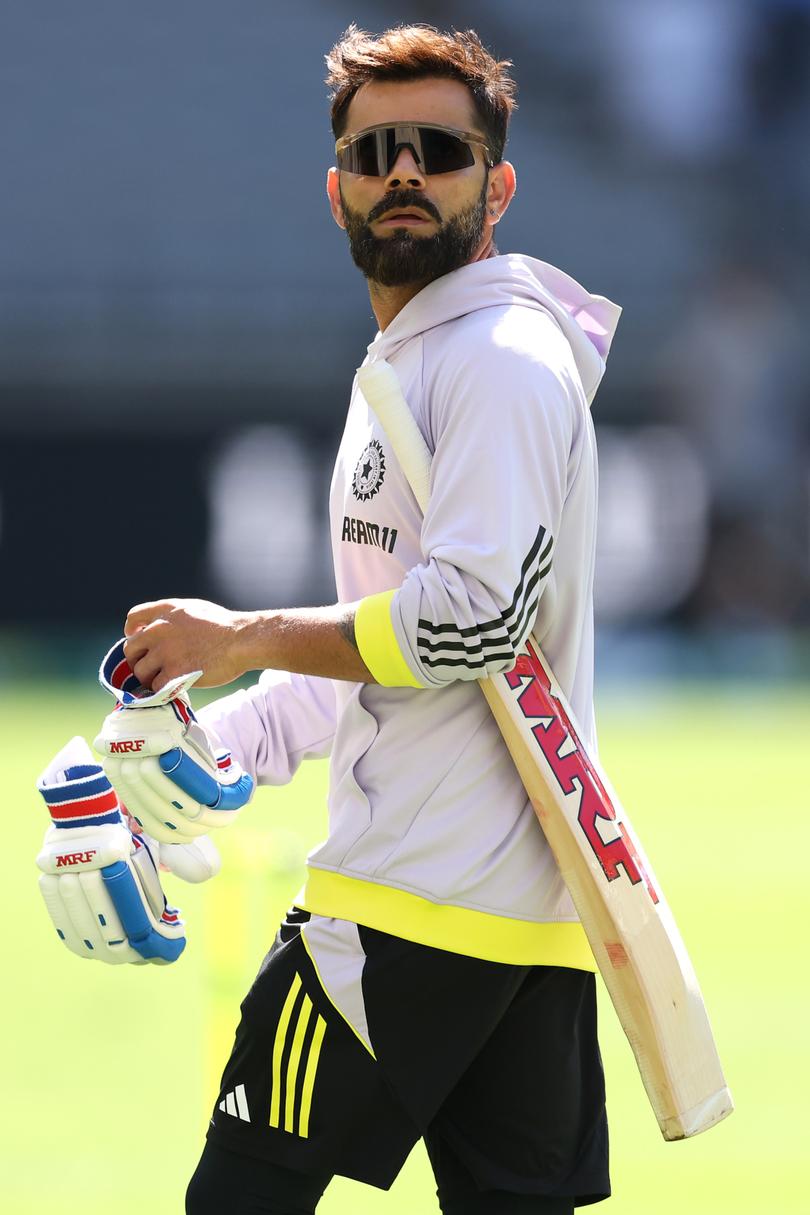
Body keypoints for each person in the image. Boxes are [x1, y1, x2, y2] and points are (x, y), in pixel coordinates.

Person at [123, 25, 621, 1215]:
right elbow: (380, 649)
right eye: (376, 149)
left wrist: (239, 635)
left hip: (407, 903)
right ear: (337, 183)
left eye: (438, 150)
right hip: (517, 918)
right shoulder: (424, 356)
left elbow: (465, 627)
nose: (405, 172)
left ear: (495, 185)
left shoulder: (495, 359)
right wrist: (210, 744)